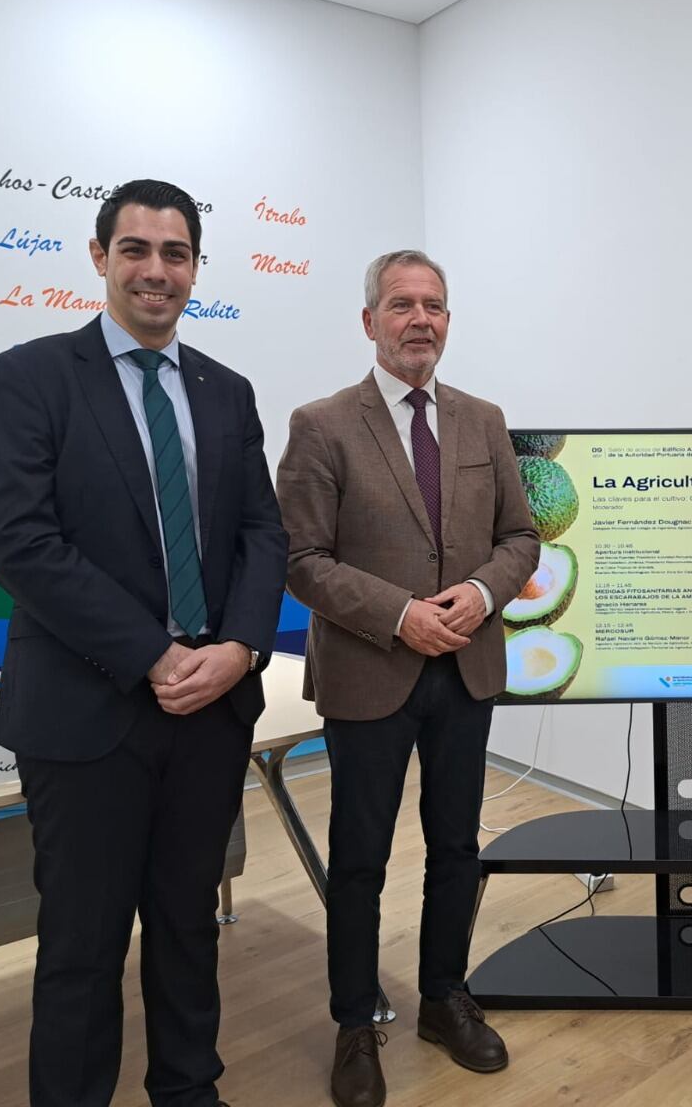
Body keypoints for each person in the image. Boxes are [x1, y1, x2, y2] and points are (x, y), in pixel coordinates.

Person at [0, 178, 288, 1107]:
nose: (157, 271)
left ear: (196, 268)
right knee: (83, 943)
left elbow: (261, 537)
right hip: (88, 713)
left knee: (190, 926)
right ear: (100, 255)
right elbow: (20, 542)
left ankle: (190, 1090)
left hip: (210, 707)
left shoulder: (225, 391)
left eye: (177, 253)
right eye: (137, 250)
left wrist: (239, 648)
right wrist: (157, 655)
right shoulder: (31, 374)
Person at [276, 249, 539, 1107]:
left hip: (466, 667)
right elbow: (301, 560)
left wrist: (475, 591)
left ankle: (443, 998)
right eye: (401, 305)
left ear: (448, 321)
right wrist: (399, 613)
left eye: (434, 306)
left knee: (456, 846)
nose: (419, 319)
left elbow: (520, 539)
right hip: (371, 668)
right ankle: (356, 1022)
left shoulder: (484, 419)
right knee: (360, 860)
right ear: (369, 322)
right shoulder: (321, 424)